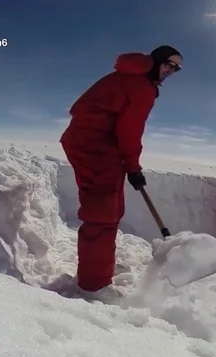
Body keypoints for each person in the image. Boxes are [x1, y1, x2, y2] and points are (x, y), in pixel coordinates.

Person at [59, 45, 183, 304]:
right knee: (102, 214)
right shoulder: (141, 86)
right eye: (169, 64)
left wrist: (127, 164)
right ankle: (93, 285)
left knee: (113, 209)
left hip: (100, 146)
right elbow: (130, 131)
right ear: (158, 60)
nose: (172, 70)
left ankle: (100, 266)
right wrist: (134, 167)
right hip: (95, 146)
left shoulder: (133, 77)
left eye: (177, 67)